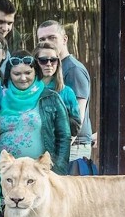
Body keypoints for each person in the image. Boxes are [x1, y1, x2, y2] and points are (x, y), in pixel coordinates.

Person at [0, 50, 71, 174]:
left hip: (40, 174)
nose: (23, 78)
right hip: (2, 174)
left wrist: (58, 171)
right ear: (9, 74)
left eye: (28, 73)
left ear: (36, 72)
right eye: (17, 74)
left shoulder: (50, 98)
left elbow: (64, 137)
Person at [36, 21, 94, 169]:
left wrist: (62, 155)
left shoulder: (73, 69)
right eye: (42, 39)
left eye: (51, 37)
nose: (47, 42)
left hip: (74, 147)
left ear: (65, 39)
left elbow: (77, 119)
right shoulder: (43, 75)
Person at [33, 41, 81, 136]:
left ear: (58, 62)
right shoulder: (27, 90)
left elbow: (76, 127)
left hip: (56, 145)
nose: (49, 64)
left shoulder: (67, 92)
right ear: (35, 62)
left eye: (53, 60)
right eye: (43, 60)